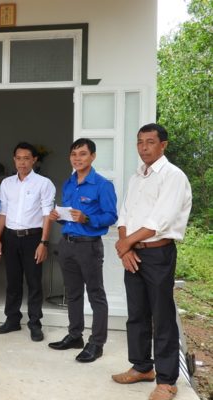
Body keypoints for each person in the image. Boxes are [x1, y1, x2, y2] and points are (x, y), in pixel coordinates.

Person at [112, 124, 191, 400]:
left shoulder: (173, 176)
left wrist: (125, 244)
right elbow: (124, 215)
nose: (143, 147)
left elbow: (160, 221)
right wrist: (125, 247)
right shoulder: (137, 177)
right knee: (137, 312)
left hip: (158, 254)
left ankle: (167, 381)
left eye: (150, 142)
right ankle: (142, 367)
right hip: (133, 252)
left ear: (163, 145)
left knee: (162, 315)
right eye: (139, 142)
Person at [47, 138, 117, 362]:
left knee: (96, 294)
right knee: (73, 293)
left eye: (83, 154)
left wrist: (87, 218)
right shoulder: (68, 183)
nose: (77, 158)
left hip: (88, 246)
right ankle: (75, 335)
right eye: (74, 154)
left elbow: (111, 216)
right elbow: (69, 216)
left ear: (93, 156)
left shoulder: (103, 185)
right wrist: (58, 216)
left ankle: (97, 343)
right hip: (66, 244)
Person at [0, 142, 55, 341]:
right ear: (14, 159)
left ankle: (35, 323)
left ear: (34, 160)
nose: (22, 162)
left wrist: (43, 243)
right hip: (10, 237)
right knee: (12, 281)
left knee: (34, 282)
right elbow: (2, 213)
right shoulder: (6, 183)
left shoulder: (44, 183)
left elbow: (47, 215)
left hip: (33, 238)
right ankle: (12, 319)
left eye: (26, 158)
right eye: (19, 158)